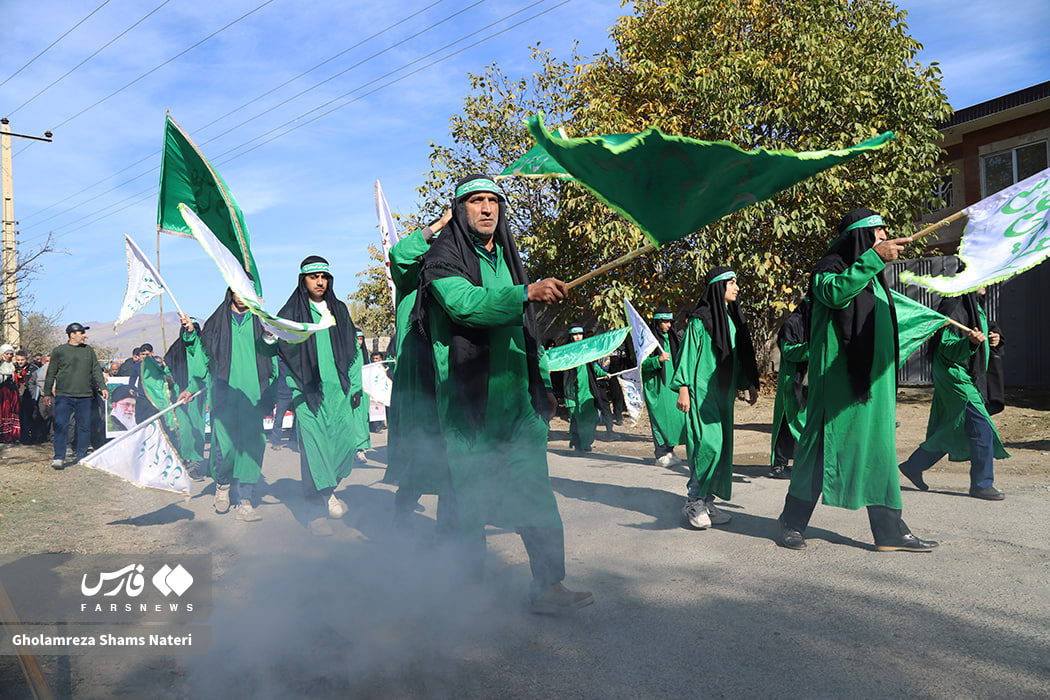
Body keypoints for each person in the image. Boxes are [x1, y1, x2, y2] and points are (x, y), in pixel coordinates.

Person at [411, 173, 592, 614]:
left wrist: (542, 384)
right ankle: (462, 593)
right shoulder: (441, 258)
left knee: (536, 494)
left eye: (493, 200)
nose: (487, 208)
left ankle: (547, 586)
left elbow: (529, 330)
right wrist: (525, 292)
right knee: (466, 501)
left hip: (519, 404)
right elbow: (465, 306)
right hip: (468, 404)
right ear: (460, 209)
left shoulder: (509, 258)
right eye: (476, 200)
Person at [777, 208, 938, 552]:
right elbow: (834, 294)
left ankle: (890, 531)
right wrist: (873, 259)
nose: (884, 236)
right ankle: (792, 521)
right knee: (819, 454)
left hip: (874, 387)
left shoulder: (874, 279)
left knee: (879, 453)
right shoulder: (829, 268)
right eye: (878, 230)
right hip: (836, 385)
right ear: (860, 236)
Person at [275, 256, 364, 536]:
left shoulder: (339, 309)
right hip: (307, 394)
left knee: (344, 446)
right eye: (314, 277)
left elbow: (354, 350)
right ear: (303, 280)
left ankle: (328, 491)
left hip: (339, 392)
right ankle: (315, 512)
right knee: (314, 451)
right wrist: (268, 336)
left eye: (324, 276)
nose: (320, 282)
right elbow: (276, 350)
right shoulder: (290, 312)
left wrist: (356, 385)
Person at [898, 286, 1009, 500]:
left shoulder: (974, 305)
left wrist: (995, 337)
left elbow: (985, 329)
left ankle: (914, 465)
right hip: (954, 375)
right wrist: (970, 342)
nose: (986, 284)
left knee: (953, 427)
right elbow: (947, 347)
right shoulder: (956, 306)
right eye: (982, 279)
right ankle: (982, 485)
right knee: (982, 427)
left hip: (963, 373)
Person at [670, 268, 760, 530]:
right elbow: (687, 355)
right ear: (719, 287)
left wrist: (747, 383)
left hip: (724, 393)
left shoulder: (731, 320)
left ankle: (707, 501)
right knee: (707, 445)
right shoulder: (699, 321)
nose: (737, 287)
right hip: (701, 393)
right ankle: (693, 502)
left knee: (721, 449)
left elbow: (737, 357)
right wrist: (683, 388)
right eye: (732, 283)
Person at [383, 210, 452, 529]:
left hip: (449, 378)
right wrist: (440, 224)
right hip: (416, 381)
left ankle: (450, 531)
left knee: (452, 455)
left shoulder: (454, 281)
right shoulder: (410, 283)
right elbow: (399, 254)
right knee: (417, 450)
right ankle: (402, 513)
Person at [188, 289, 275, 521]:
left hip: (253, 397)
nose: (241, 294)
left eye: (246, 290)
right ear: (230, 291)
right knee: (225, 448)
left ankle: (245, 500)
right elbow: (201, 356)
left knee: (252, 447)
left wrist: (269, 337)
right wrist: (190, 335)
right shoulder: (217, 323)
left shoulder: (260, 320)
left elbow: (272, 356)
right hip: (224, 395)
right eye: (237, 289)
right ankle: (223, 486)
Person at [41, 323, 108, 469]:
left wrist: (102, 387)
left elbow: (96, 369)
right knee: (61, 426)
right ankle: (59, 457)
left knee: (84, 427)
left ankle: (82, 456)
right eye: (81, 333)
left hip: (85, 396)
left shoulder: (88, 350)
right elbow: (51, 373)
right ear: (72, 335)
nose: (84, 335)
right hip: (63, 396)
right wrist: (47, 393)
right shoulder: (59, 351)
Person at [640, 306, 687, 467]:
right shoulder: (648, 341)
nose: (668, 325)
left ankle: (669, 451)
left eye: (670, 322)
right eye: (665, 322)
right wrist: (657, 360)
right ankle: (660, 454)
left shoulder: (672, 338)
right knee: (659, 420)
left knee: (672, 419)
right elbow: (641, 365)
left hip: (671, 386)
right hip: (657, 387)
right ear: (658, 322)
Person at [769, 300, 810, 479]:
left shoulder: (813, 323)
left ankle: (804, 464)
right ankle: (779, 465)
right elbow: (788, 351)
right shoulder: (791, 324)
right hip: (791, 381)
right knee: (786, 423)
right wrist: (812, 348)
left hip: (807, 381)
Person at [166, 316, 209, 479]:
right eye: (186, 329)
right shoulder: (175, 349)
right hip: (179, 396)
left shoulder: (202, 349)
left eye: (193, 329)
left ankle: (195, 465)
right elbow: (167, 370)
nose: (189, 333)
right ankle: (181, 462)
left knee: (196, 431)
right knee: (182, 431)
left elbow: (206, 371)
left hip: (197, 396)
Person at [563, 325, 609, 454]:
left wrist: (604, 374)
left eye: (580, 334)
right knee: (577, 420)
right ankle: (578, 445)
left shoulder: (587, 351)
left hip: (589, 392)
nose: (578, 337)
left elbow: (594, 367)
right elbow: (565, 377)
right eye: (575, 335)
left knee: (591, 418)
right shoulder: (567, 354)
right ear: (570, 336)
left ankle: (587, 443)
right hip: (575, 393)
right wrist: (568, 399)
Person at [14, 351, 41, 444]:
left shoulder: (33, 368)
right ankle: (22, 437)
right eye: (18, 360)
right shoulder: (13, 368)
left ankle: (33, 437)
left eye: (22, 360)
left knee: (30, 416)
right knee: (20, 417)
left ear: (26, 359)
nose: (20, 362)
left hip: (29, 396)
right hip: (16, 396)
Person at [351, 330, 370, 462]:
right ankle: (356, 449)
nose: (359, 342)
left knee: (362, 420)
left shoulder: (364, 355)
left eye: (361, 339)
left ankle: (361, 448)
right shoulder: (349, 354)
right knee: (354, 422)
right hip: (353, 391)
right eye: (357, 339)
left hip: (363, 393)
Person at [0, 345, 20, 442]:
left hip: (12, 391)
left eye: (11, 354)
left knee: (13, 411)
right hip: (3, 392)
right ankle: (4, 435)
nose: (9, 356)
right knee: (4, 411)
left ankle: (13, 434)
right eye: (7, 354)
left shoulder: (13, 365)